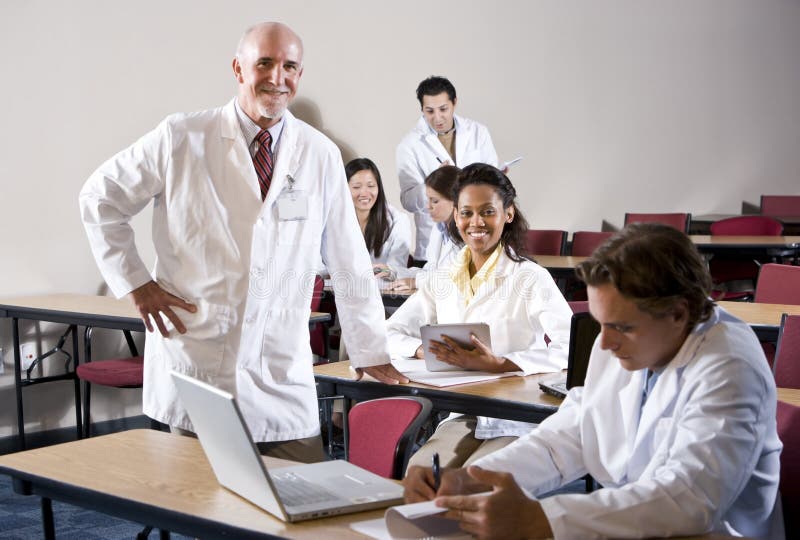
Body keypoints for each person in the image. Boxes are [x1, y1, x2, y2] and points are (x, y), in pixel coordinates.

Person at [79, 22, 407, 464]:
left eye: (289, 66)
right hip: (199, 353)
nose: (277, 78)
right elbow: (100, 198)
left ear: (300, 74)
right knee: (204, 506)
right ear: (238, 68)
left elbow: (348, 258)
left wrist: (369, 347)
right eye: (265, 63)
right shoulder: (183, 136)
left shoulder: (320, 154)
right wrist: (136, 284)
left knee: (301, 501)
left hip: (278, 366)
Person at [404, 223, 784, 540]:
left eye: (621, 327)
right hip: (635, 523)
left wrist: (543, 521)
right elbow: (572, 435)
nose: (604, 343)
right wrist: (474, 480)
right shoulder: (627, 339)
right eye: (602, 323)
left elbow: (688, 499)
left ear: (678, 313)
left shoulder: (729, 366)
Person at [387, 163, 572, 469]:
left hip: (519, 414)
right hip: (464, 411)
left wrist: (503, 364)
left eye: (487, 211)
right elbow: (389, 333)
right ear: (455, 215)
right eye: (466, 212)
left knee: (477, 480)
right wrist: (424, 349)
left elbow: (575, 348)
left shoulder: (530, 277)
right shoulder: (443, 278)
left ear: (507, 214)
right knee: (420, 473)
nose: (476, 222)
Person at [396, 76, 500, 263]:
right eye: (429, 111)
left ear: (454, 103)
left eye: (443, 109)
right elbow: (408, 200)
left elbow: (491, 184)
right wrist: (435, 180)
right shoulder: (409, 145)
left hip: (476, 240)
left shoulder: (478, 133)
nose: (437, 117)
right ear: (422, 109)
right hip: (432, 245)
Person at [389, 165, 461, 291]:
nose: (428, 206)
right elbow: (429, 271)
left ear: (455, 199)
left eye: (435, 201)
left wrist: (415, 282)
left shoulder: (468, 235)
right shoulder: (439, 229)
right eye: (428, 199)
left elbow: (454, 279)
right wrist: (392, 272)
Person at [345, 158, 411, 281]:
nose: (364, 193)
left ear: (378, 187)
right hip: (338, 290)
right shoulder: (334, 220)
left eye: (370, 186)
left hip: (382, 292)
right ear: (344, 189)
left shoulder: (398, 220)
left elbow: (395, 269)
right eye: (356, 187)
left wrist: (386, 271)